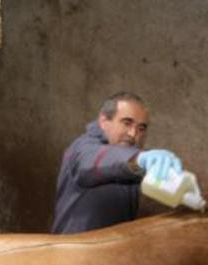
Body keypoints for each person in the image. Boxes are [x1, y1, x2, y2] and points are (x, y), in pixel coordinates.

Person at [51, 92, 183, 234]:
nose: (133, 134)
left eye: (141, 128)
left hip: (115, 250)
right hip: (75, 251)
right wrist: (137, 159)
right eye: (127, 123)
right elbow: (99, 159)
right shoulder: (83, 148)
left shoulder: (134, 157)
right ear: (103, 121)